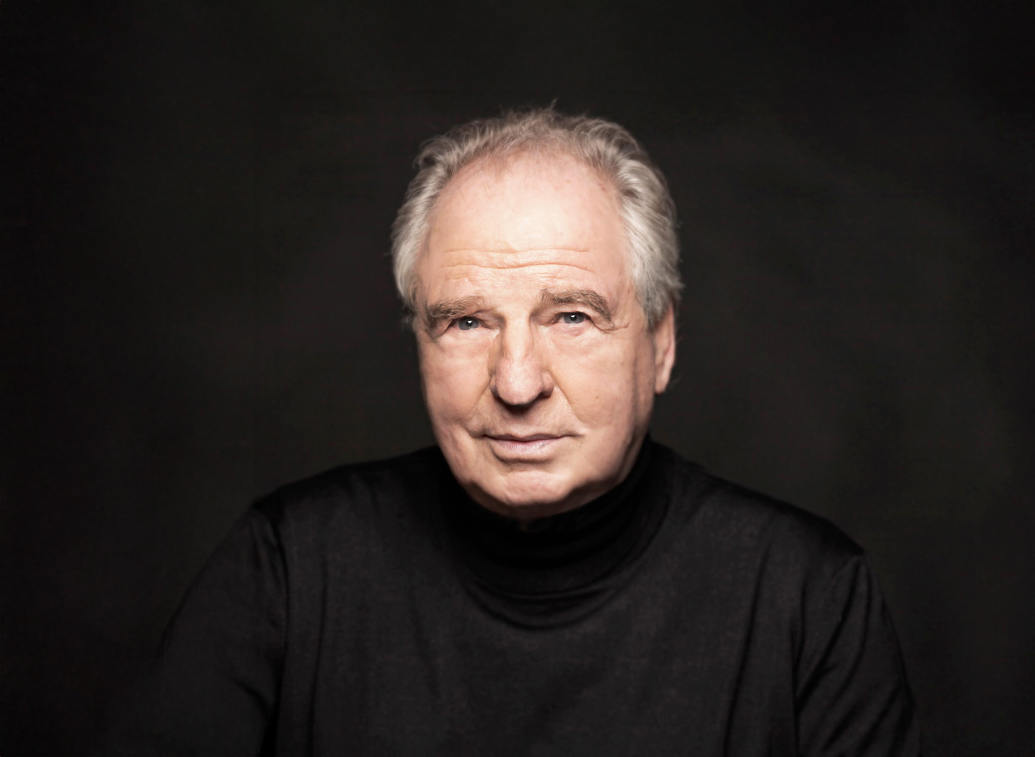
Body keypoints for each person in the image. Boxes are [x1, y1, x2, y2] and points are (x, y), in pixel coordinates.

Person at [128, 108, 920, 755]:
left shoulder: (809, 599)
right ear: (420, 341)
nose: (516, 383)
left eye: (571, 317)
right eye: (467, 321)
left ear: (661, 343)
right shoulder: (290, 570)